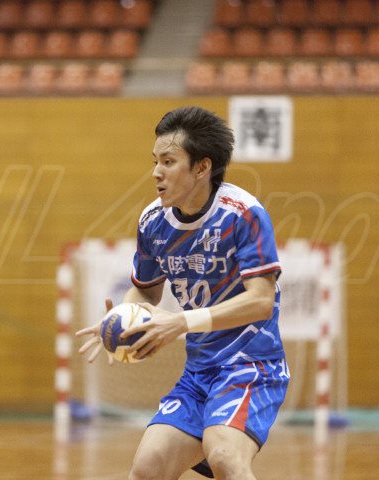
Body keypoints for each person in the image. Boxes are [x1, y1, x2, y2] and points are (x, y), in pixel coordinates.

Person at [77, 106, 289, 480]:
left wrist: (181, 322)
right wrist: (122, 318)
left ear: (202, 167)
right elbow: (144, 293)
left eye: (169, 161)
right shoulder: (153, 222)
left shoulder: (242, 214)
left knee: (225, 457)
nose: (156, 172)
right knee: (147, 468)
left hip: (250, 366)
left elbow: (260, 301)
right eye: (155, 161)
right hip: (199, 372)